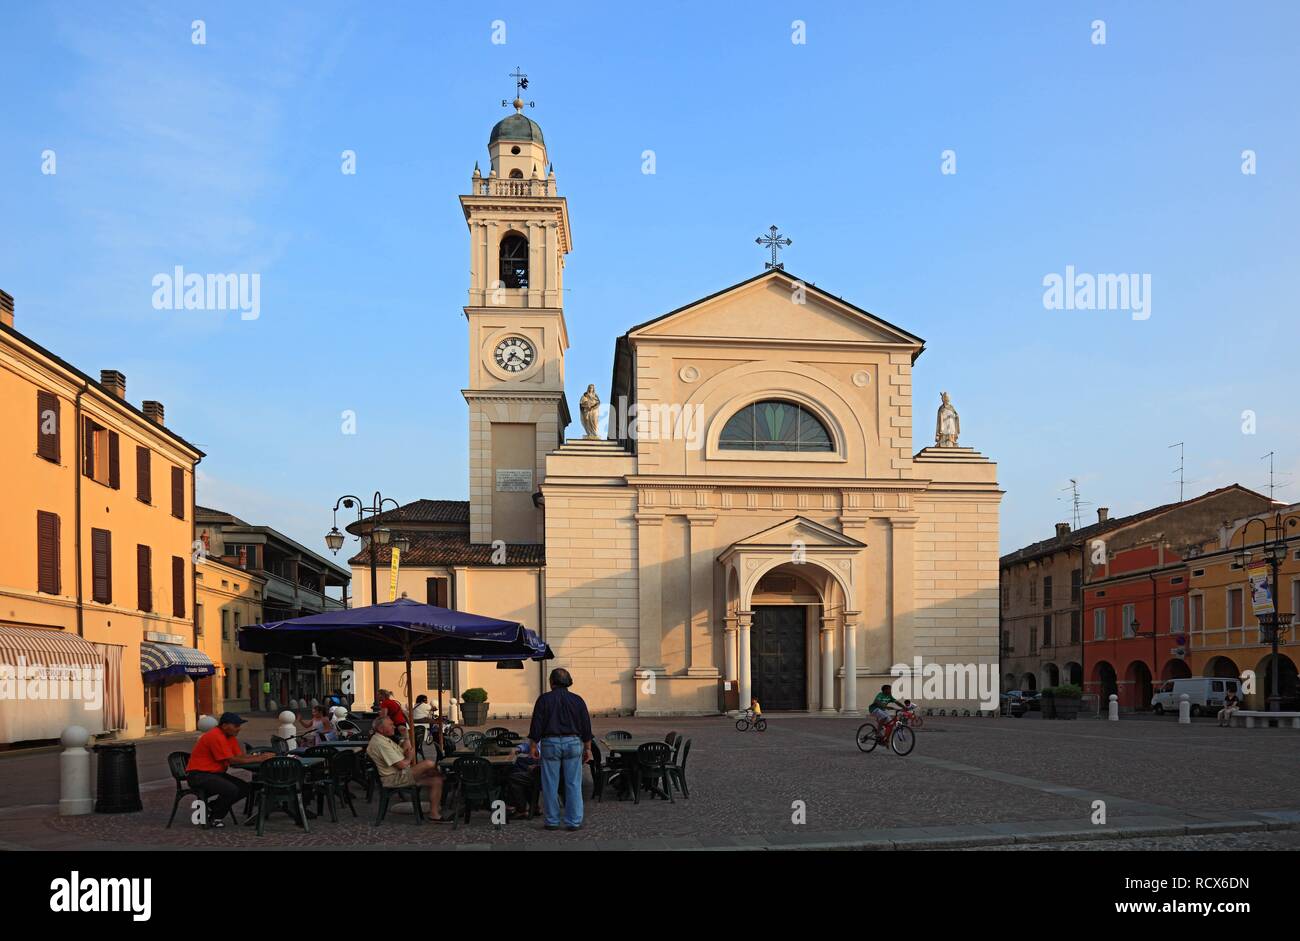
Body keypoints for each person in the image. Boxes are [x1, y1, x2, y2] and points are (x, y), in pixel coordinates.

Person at [527, 667, 593, 832]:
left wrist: (534, 745)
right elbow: (586, 726)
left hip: (550, 743)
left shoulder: (544, 700)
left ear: (551, 682)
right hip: (573, 742)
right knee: (573, 783)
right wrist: (588, 748)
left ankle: (552, 820)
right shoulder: (578, 700)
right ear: (568, 682)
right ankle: (574, 821)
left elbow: (536, 724)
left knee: (550, 784)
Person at [185, 712, 273, 828]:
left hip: (214, 774)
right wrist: (261, 758)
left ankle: (212, 808)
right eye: (236, 725)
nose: (239, 728)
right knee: (231, 790)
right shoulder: (215, 736)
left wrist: (262, 756)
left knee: (245, 788)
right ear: (225, 725)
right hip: (199, 775)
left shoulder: (229, 737)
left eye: (239, 726)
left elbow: (239, 756)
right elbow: (232, 761)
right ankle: (216, 817)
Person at [365, 714, 450, 822]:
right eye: (390, 725)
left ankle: (434, 814)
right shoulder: (380, 743)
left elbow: (405, 750)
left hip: (402, 774)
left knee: (436, 781)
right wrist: (409, 757)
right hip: (394, 778)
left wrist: (405, 736)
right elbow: (402, 764)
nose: (394, 727)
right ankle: (444, 776)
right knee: (428, 763)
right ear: (381, 729)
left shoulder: (385, 739)